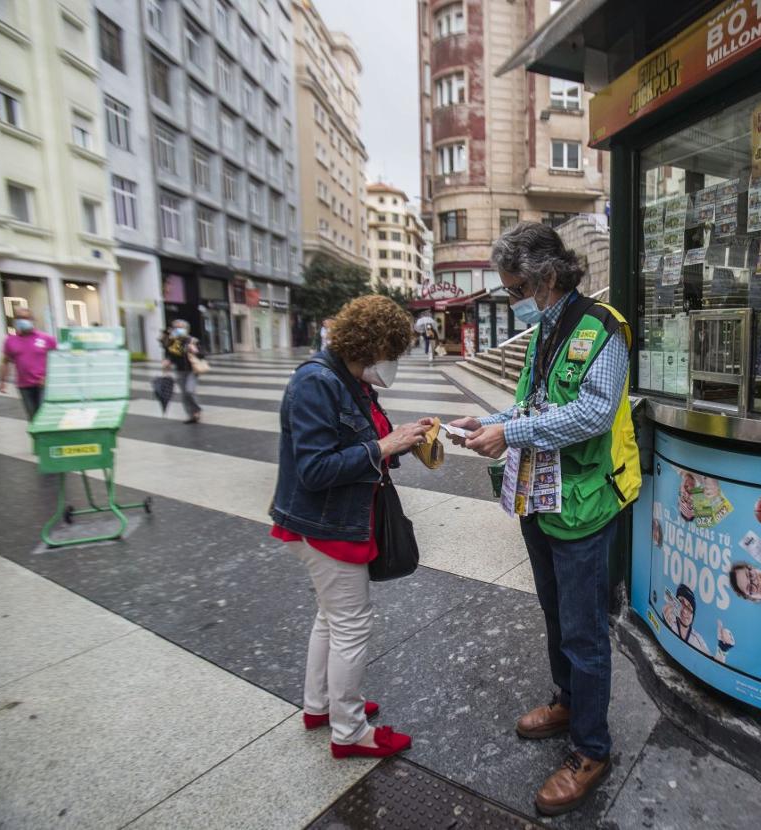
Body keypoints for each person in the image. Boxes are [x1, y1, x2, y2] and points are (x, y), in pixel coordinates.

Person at [449, 222, 640, 816]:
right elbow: (534, 402)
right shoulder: (544, 333)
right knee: (555, 612)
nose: (513, 302)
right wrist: (490, 423)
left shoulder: (602, 328)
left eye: (515, 291)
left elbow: (591, 412)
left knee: (585, 631)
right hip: (541, 498)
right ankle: (566, 701)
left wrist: (512, 431)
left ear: (547, 277)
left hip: (585, 504)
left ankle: (591, 747)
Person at [268, 295, 433, 760]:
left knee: (331, 618)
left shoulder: (350, 379)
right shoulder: (317, 383)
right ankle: (350, 730)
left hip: (338, 518)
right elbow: (316, 469)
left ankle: (322, 706)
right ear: (371, 344)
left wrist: (403, 437)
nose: (393, 363)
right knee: (351, 626)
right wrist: (384, 447)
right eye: (392, 353)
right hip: (326, 524)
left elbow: (368, 437)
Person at [0, 308, 57, 420]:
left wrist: (48, 377)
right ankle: (36, 437)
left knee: (43, 415)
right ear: (15, 321)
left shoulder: (46, 339)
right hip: (24, 386)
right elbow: (5, 361)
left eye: (26, 318)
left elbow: (57, 360)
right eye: (19, 318)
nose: (22, 321)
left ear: (32, 320)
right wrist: (2, 381)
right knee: (32, 417)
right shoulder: (10, 341)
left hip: (43, 384)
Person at [661, 584, 735, 664]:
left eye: (689, 607)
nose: (685, 611)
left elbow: (713, 664)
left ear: (693, 614)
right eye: (681, 602)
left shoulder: (697, 638)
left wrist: (722, 649)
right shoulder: (670, 621)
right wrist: (664, 625)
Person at [160, 320, 204, 424]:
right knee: (184, 394)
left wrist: (195, 351)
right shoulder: (173, 342)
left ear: (186, 329)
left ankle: (197, 409)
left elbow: (202, 355)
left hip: (193, 370)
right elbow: (169, 353)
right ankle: (192, 415)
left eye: (180, 327)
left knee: (189, 391)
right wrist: (168, 361)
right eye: (176, 327)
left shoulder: (193, 340)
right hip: (180, 370)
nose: (178, 329)